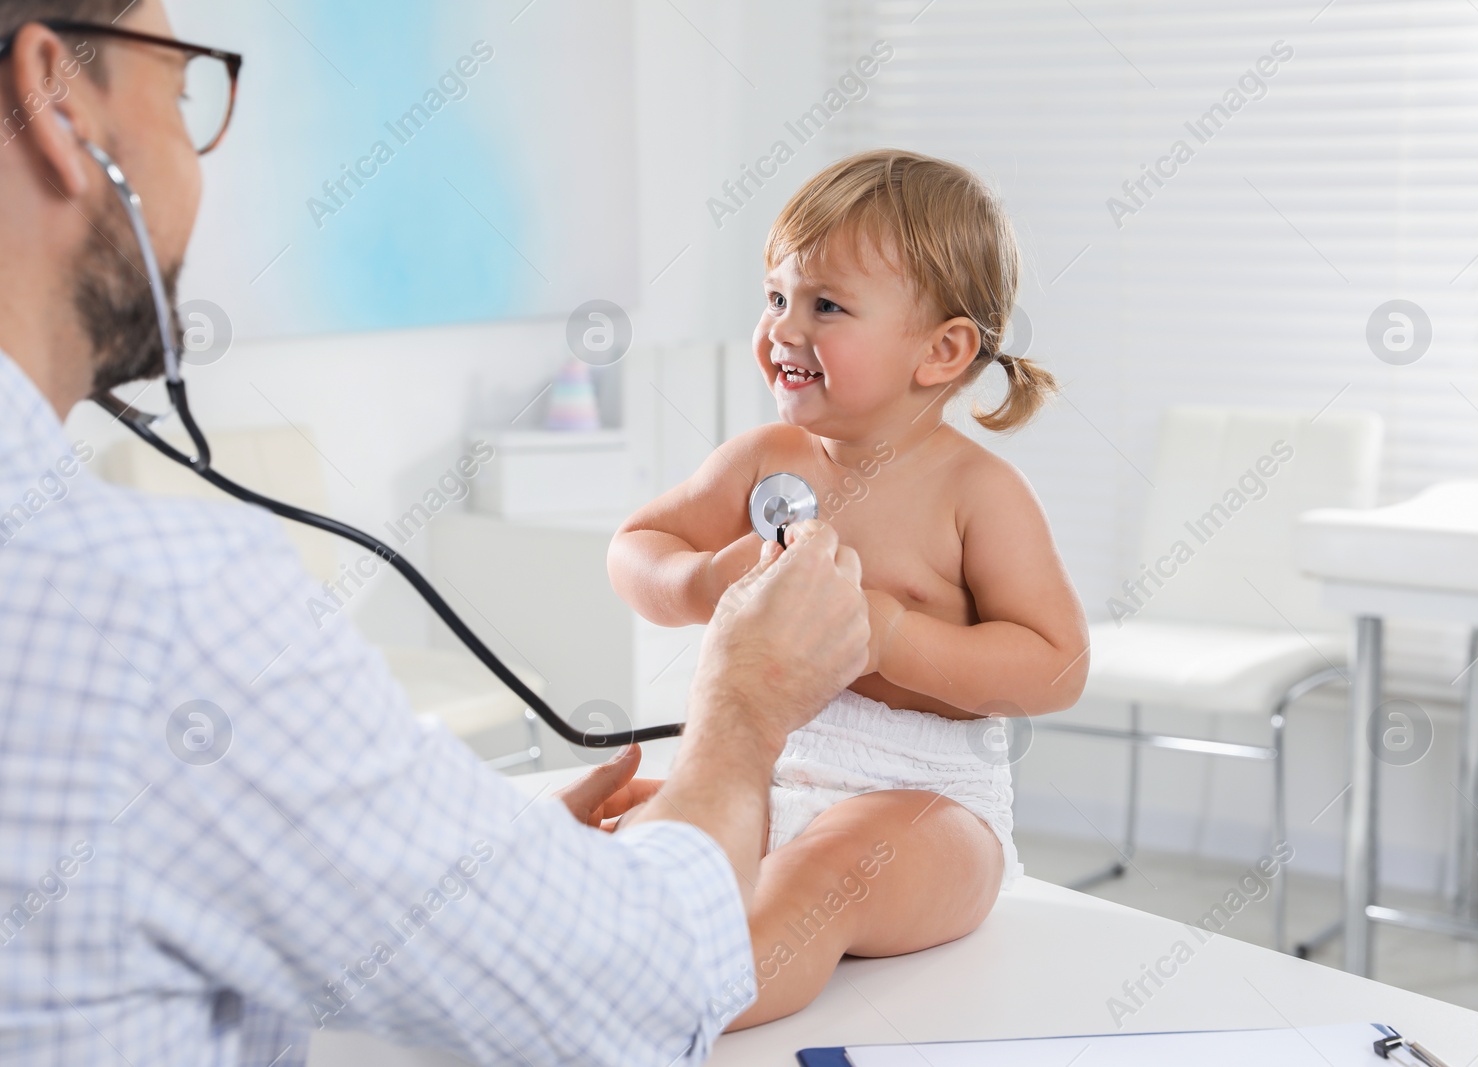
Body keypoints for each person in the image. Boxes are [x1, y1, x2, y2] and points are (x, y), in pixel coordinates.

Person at [0, 2, 870, 1063]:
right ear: (58, 96)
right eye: (183, 98)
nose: (195, 163)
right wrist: (741, 713)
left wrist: (481, 887)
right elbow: (631, 985)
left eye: (829, 305)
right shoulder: (165, 614)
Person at [608, 149, 1091, 1026]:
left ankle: (669, 1010)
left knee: (823, 875)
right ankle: (608, 969)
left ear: (942, 351)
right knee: (641, 853)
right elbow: (636, 545)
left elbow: (1056, 665)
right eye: (775, 296)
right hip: (766, 768)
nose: (784, 329)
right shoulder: (764, 459)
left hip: (927, 799)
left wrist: (891, 634)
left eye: (825, 305)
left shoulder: (974, 493)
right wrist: (698, 580)